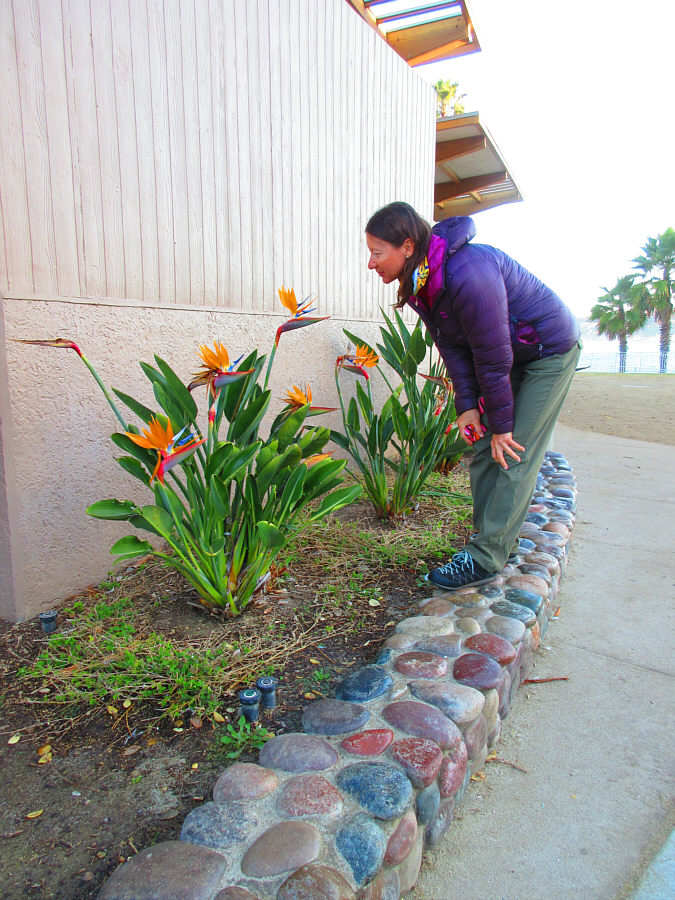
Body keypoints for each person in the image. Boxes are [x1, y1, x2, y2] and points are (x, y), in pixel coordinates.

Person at [365, 201, 581, 591]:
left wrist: (502, 426)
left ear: (408, 247)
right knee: (482, 443)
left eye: (377, 252)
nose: (371, 263)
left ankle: (485, 558)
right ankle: (493, 539)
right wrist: (467, 408)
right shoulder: (423, 284)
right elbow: (455, 349)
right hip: (510, 356)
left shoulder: (469, 273)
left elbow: (493, 358)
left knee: (513, 448)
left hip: (548, 351)